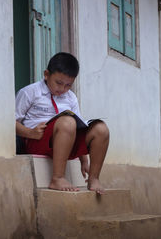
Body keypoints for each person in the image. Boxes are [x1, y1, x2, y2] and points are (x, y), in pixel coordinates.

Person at [15, 52, 109, 194]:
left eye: (68, 85)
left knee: (101, 129)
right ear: (46, 74)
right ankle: (57, 178)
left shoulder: (71, 98)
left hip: (67, 142)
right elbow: (9, 123)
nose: (62, 89)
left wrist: (84, 160)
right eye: (58, 83)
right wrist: (30, 133)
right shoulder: (30, 92)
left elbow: (80, 128)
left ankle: (94, 178)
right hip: (38, 140)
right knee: (67, 122)